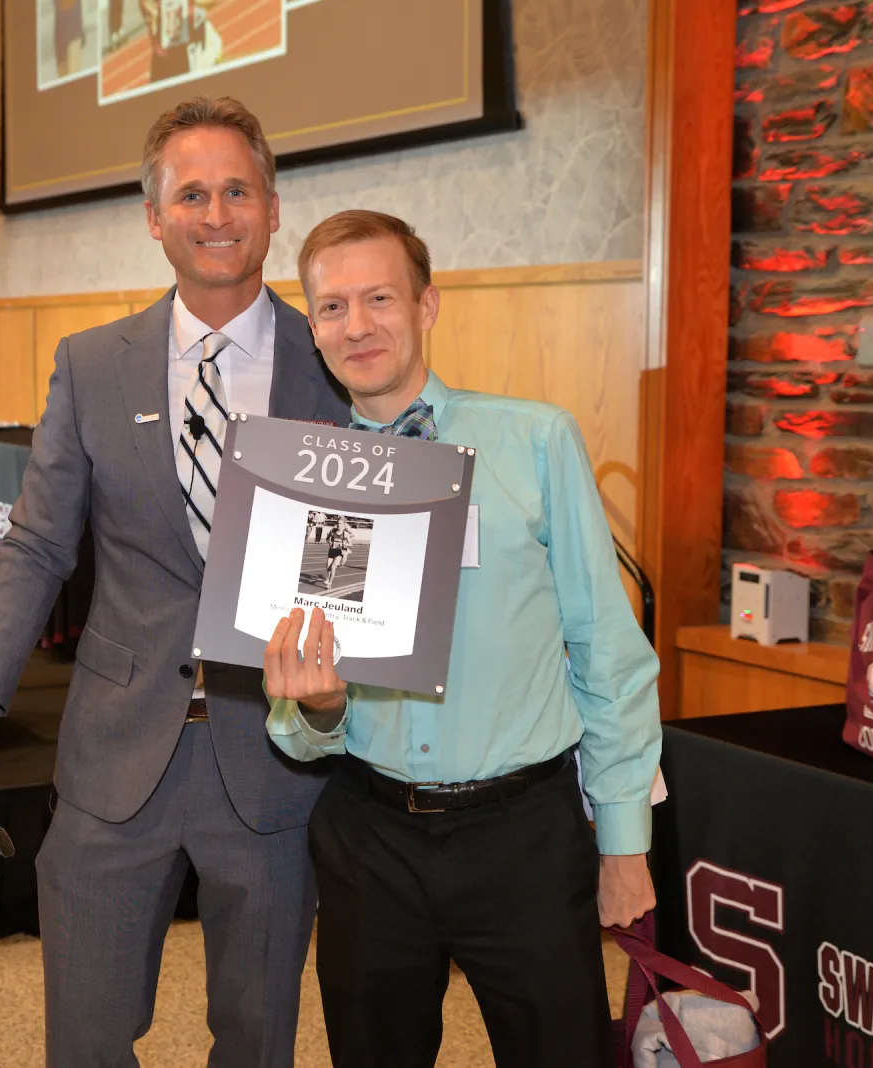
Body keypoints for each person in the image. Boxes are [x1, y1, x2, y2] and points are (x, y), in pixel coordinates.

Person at [0, 97, 349, 1067]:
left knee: (257, 1038)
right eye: (191, 193)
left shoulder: (332, 367)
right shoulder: (90, 366)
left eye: (236, 190)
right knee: (84, 1035)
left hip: (275, 758)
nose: (216, 213)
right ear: (154, 217)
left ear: (273, 208)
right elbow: (36, 548)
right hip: (115, 756)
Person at [264, 209, 662, 1068]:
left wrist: (624, 844)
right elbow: (296, 722)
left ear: (428, 305)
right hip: (370, 841)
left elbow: (608, 653)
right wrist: (321, 708)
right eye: (331, 307)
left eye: (379, 297)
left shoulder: (534, 440)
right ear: (312, 328)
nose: (357, 324)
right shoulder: (306, 481)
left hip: (522, 837)